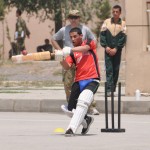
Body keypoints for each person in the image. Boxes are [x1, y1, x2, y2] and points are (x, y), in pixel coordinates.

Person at [51, 9, 100, 115]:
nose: (73, 20)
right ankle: (71, 105)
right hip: (68, 58)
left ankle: (90, 107)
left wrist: (88, 50)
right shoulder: (64, 30)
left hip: (81, 59)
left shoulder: (85, 29)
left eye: (75, 17)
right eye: (71, 17)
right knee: (68, 84)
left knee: (86, 84)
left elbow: (94, 40)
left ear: (79, 18)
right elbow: (53, 39)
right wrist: (60, 52)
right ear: (68, 18)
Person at [55, 27, 100, 136]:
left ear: (81, 36)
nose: (73, 39)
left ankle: (71, 129)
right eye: (71, 37)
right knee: (71, 110)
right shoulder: (72, 53)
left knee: (83, 100)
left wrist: (70, 49)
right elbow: (67, 66)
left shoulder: (89, 42)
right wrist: (60, 58)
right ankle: (86, 120)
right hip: (78, 81)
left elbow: (84, 48)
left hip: (92, 79)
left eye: (75, 36)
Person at [100, 5, 127, 96]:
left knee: (116, 69)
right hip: (108, 50)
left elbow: (123, 38)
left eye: (117, 12)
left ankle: (112, 89)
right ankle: (108, 90)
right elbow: (102, 35)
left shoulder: (123, 24)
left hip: (117, 51)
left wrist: (116, 48)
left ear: (120, 13)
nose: (115, 13)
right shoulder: (106, 22)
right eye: (113, 11)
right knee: (109, 69)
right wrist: (106, 47)